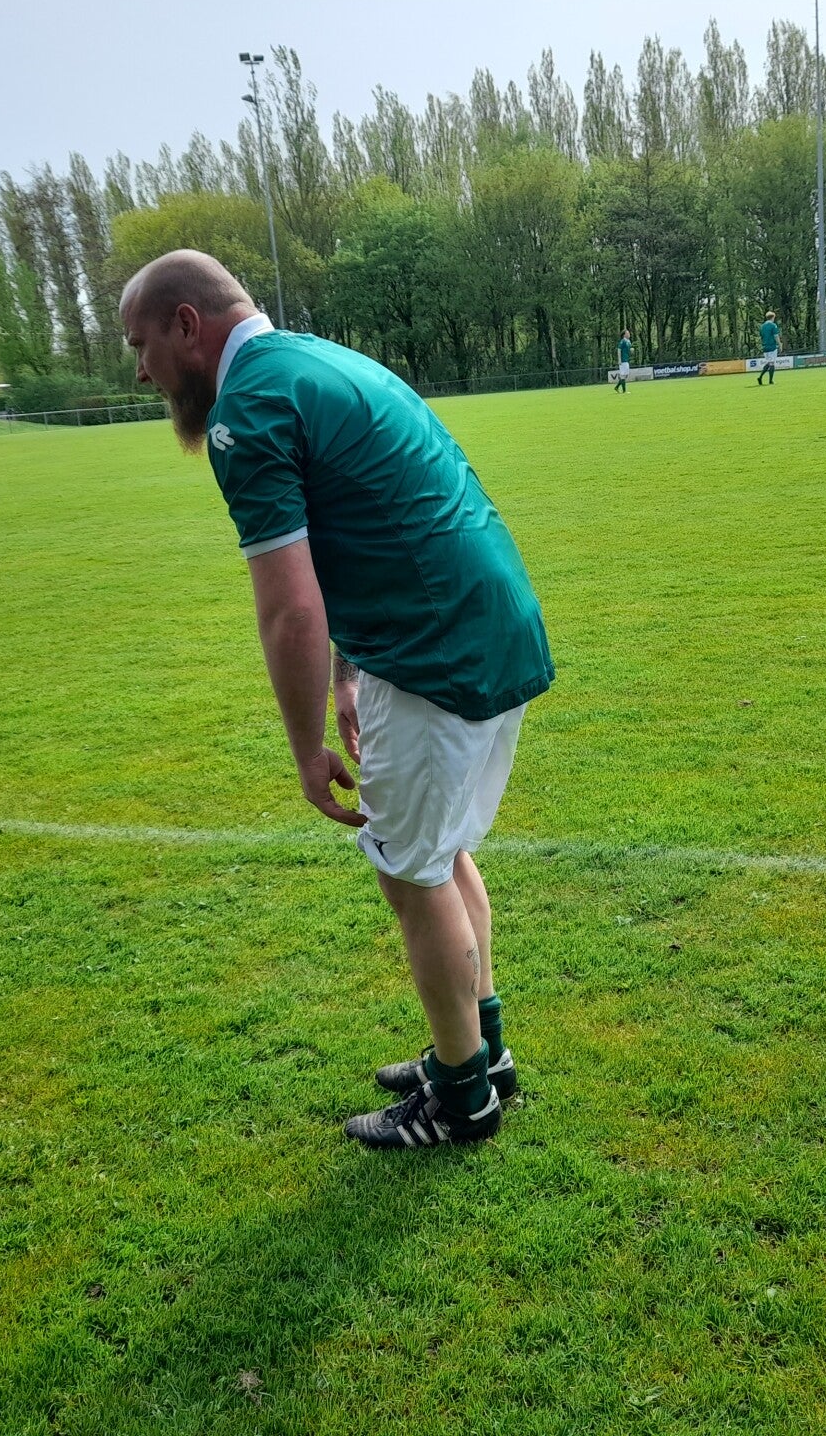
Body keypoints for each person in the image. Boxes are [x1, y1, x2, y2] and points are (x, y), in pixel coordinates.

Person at [119, 250, 554, 1150]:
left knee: (412, 874)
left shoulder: (249, 407)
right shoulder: (319, 359)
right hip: (484, 621)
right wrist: (349, 677)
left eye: (140, 344)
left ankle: (463, 1099)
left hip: (433, 647)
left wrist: (305, 744)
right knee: (436, 854)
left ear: (187, 327)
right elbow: (373, 520)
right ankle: (480, 1055)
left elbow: (291, 606)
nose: (141, 371)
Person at [756, 312, 781, 386]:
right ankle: (770, 381)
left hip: (765, 347)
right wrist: (780, 344)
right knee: (772, 363)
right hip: (772, 346)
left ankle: (760, 377)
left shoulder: (762, 326)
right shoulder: (773, 325)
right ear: (773, 317)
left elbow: (761, 336)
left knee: (769, 363)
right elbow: (776, 336)